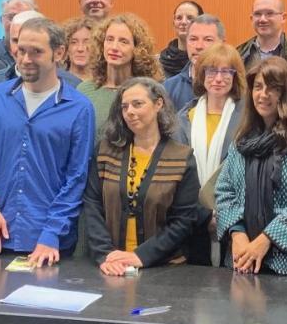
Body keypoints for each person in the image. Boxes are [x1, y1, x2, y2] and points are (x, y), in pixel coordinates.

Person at [0, 17, 95, 265]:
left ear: (59, 52)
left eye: (36, 52)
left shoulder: (79, 108)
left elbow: (76, 178)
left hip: (51, 243)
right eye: (21, 50)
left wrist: (51, 233)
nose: (25, 59)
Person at [215, 57, 287, 275]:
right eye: (258, 87)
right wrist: (237, 234)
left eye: (272, 88)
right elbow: (224, 191)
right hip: (243, 261)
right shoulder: (242, 141)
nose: (263, 94)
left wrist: (265, 240)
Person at [83, 78, 200, 274]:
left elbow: (183, 221)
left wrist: (141, 256)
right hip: (110, 266)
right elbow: (92, 205)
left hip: (163, 269)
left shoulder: (181, 157)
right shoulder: (105, 152)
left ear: (158, 104)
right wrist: (105, 255)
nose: (130, 112)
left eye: (138, 104)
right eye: (125, 106)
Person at [178, 43, 247, 265]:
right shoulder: (182, 119)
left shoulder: (247, 120)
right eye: (212, 70)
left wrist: (223, 215)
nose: (218, 78)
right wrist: (204, 215)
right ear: (201, 74)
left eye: (227, 71)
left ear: (236, 76)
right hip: (191, 218)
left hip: (236, 220)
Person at [78, 13, 163, 142]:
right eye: (109, 39)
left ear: (137, 49)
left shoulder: (150, 91)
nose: (114, 47)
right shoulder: (84, 90)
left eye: (123, 42)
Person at [163, 13, 225, 112]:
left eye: (208, 40)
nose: (199, 46)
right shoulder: (169, 88)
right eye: (193, 39)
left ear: (222, 44)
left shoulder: (232, 86)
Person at [236, 0, 287, 69]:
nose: (262, 19)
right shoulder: (238, 54)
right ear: (251, 19)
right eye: (257, 14)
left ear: (283, 17)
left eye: (269, 13)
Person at [0, 0, 38, 68]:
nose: (16, 22)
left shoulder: (42, 53)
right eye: (11, 17)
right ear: (1, 20)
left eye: (23, 17)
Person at [159, 0, 204, 78]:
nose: (183, 22)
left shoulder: (209, 61)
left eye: (190, 18)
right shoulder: (157, 63)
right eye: (179, 18)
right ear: (174, 23)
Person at [63, 16, 97, 83]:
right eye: (74, 42)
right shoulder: (57, 82)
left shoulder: (104, 83)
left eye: (87, 42)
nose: (80, 49)